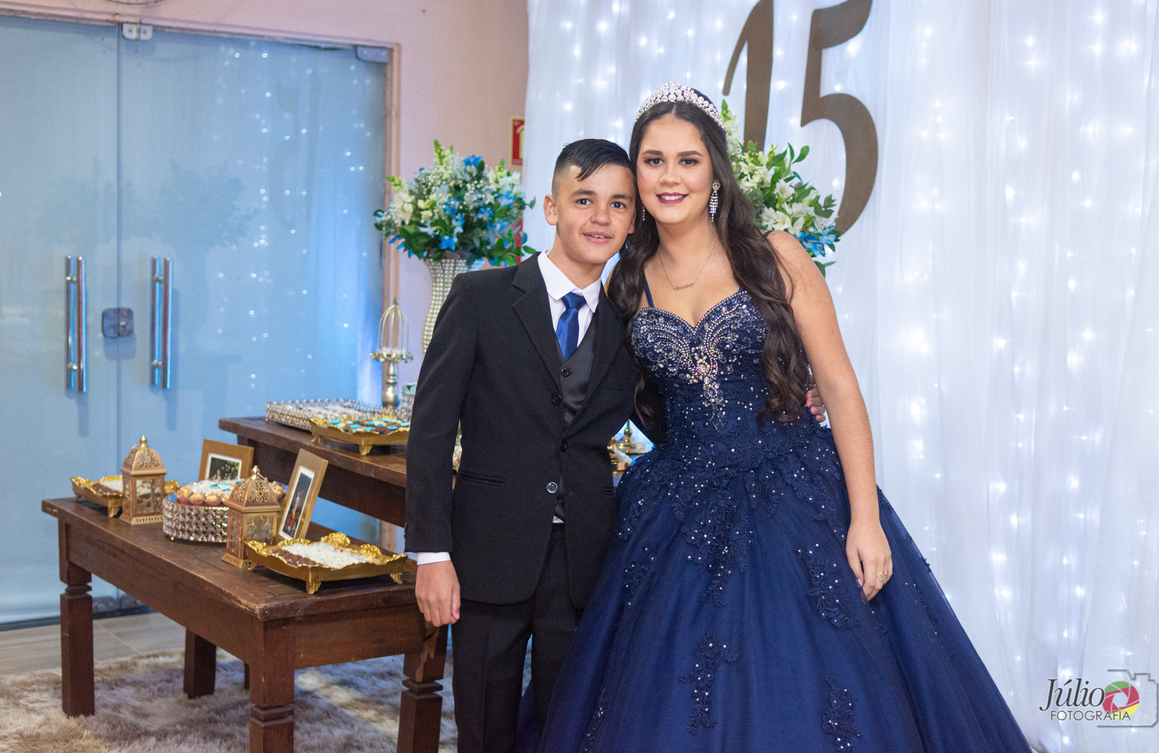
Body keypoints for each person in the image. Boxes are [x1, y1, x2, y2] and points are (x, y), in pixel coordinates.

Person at [534, 84, 1033, 751]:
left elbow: (841, 389)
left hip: (794, 490)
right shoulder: (627, 280)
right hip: (677, 503)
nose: (669, 177)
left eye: (687, 160)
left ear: (715, 170)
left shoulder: (773, 255)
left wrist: (865, 519)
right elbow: (619, 396)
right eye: (653, 161)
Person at [405, 138, 643, 753]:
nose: (601, 217)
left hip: (584, 559)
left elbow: (672, 418)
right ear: (551, 207)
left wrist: (787, 395)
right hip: (488, 552)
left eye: (618, 204)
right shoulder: (480, 297)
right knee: (485, 727)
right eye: (584, 200)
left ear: (632, 222)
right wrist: (431, 554)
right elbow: (430, 432)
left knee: (569, 727)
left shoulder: (632, 324)